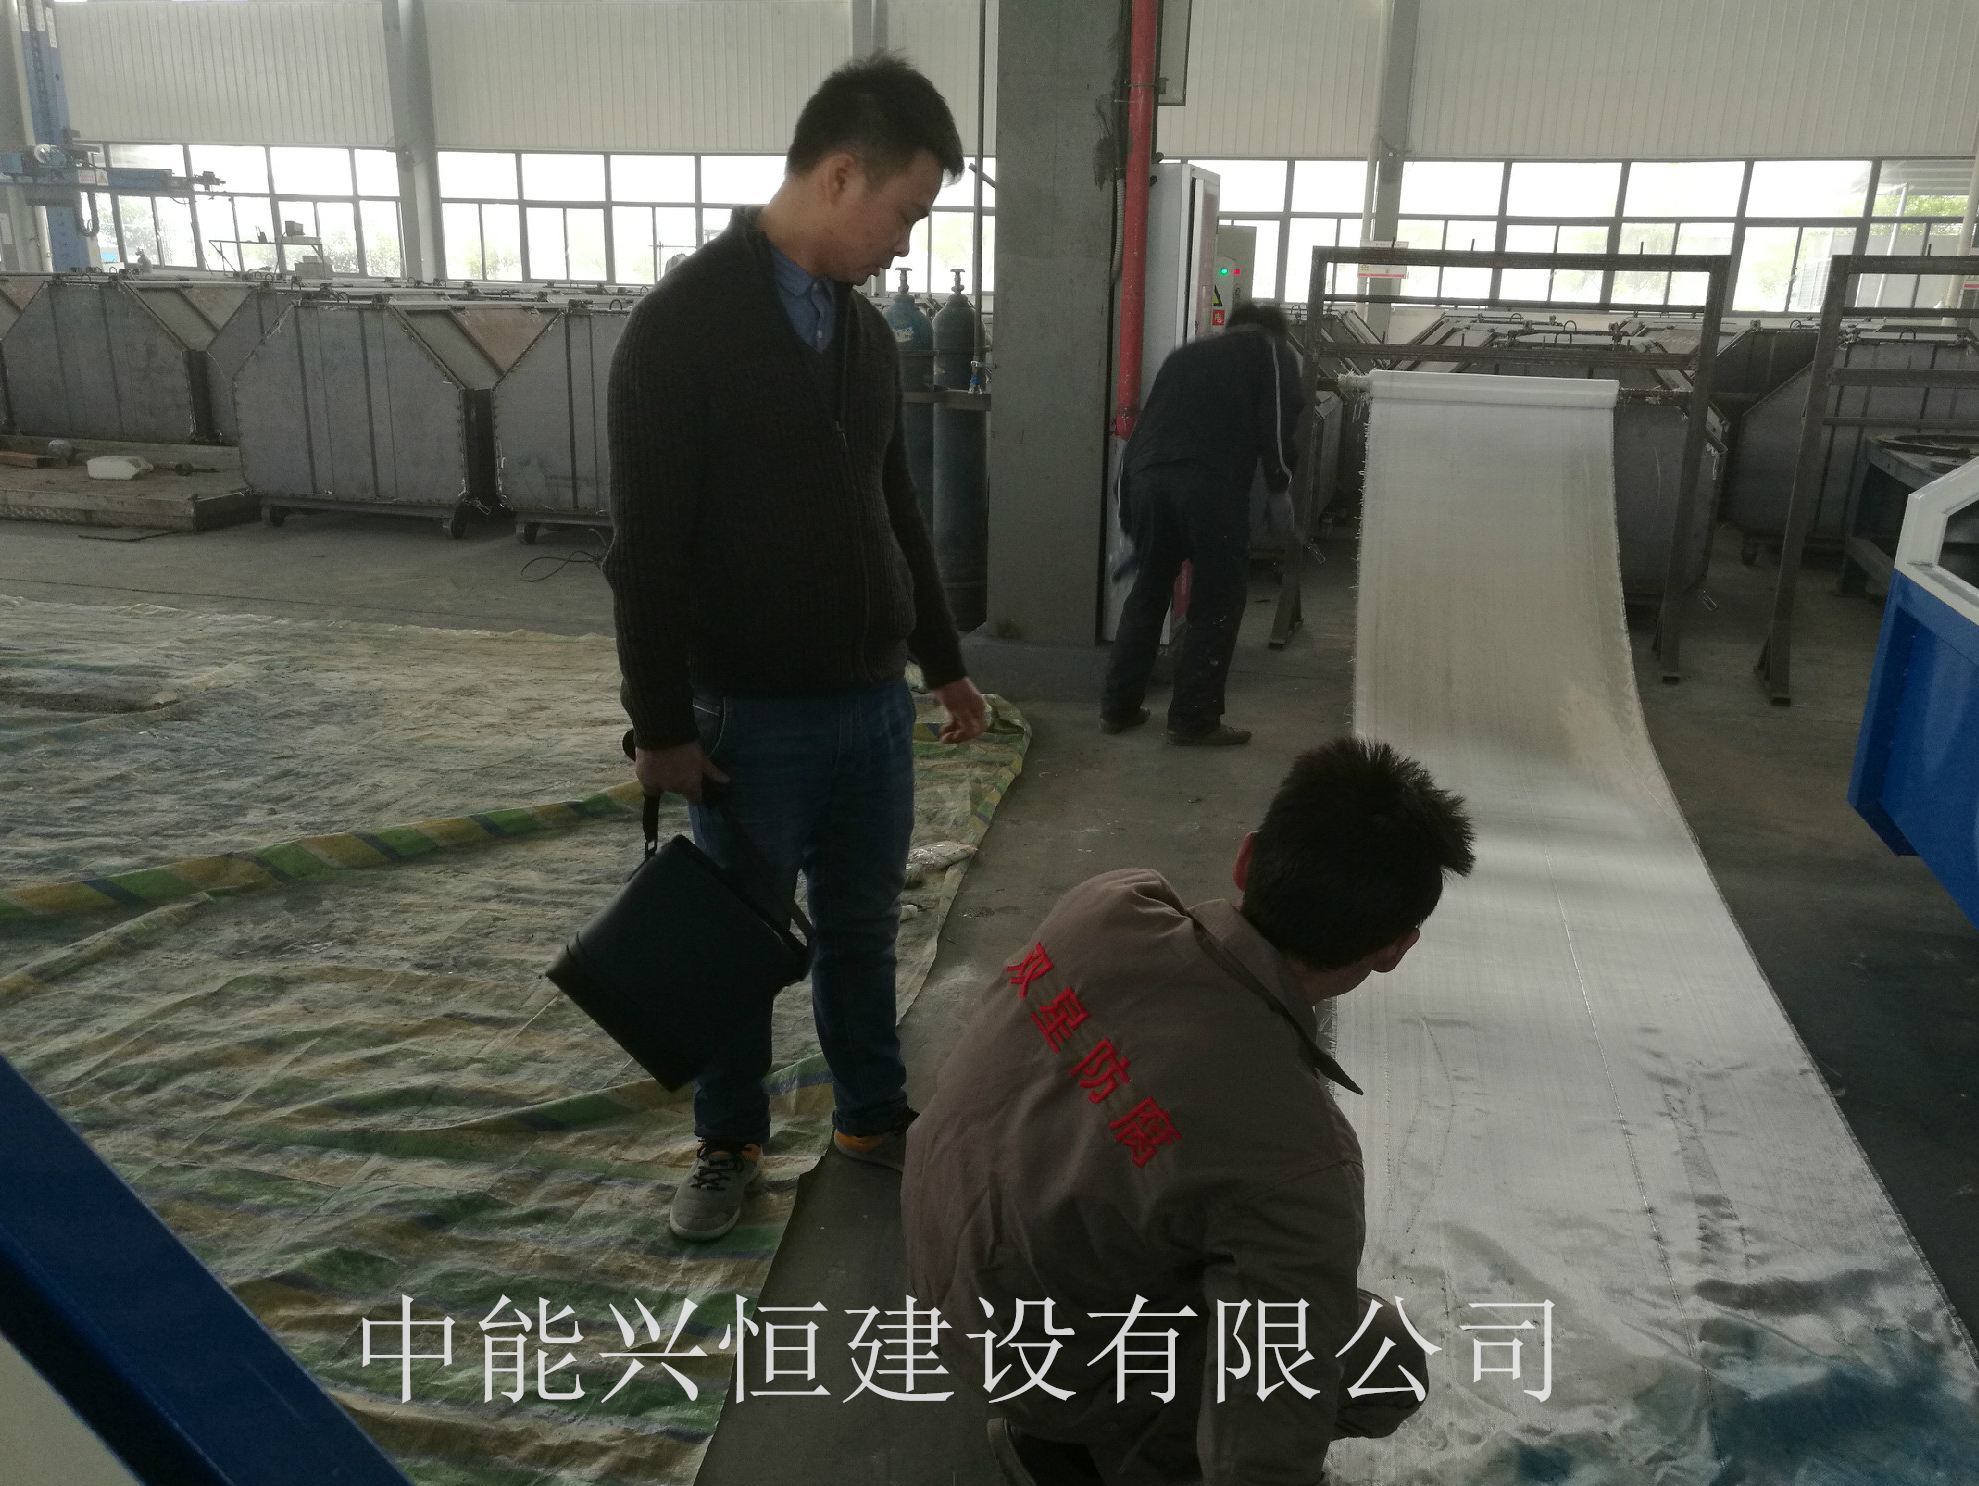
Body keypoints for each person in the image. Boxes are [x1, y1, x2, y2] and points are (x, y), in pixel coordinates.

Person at [602, 54, 990, 1244]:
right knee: (738, 938)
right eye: (904, 213)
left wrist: (943, 662)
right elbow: (646, 549)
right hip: (750, 714)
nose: (904, 245)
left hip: (870, 705)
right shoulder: (681, 329)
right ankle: (729, 1140)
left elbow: (895, 506)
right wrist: (663, 726)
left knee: (862, 926)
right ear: (839, 175)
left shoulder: (865, 336)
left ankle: (870, 1114)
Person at [903, 737, 1477, 1486]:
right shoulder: (1299, 1158)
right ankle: (1096, 1454)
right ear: (1395, 949)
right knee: (1386, 1364)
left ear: (1246, 857)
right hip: (1043, 1365)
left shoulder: (1105, 906)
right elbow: (1267, 1433)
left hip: (932, 1266)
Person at [1101, 301, 1305, 746]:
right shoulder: (1270, 350)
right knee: (1217, 598)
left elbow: (1142, 436)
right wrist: (1279, 485)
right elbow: (1278, 422)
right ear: (1275, 332)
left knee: (1148, 592)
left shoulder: (1185, 356)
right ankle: (1193, 719)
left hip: (1146, 482)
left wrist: (1129, 521)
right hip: (1209, 487)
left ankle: (1118, 707)